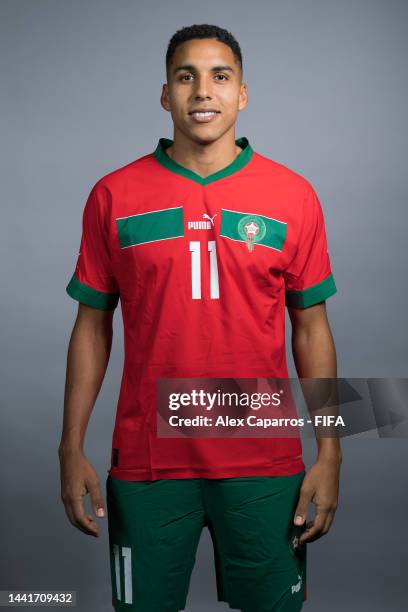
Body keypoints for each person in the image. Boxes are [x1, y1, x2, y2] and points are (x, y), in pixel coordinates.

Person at [58, 23, 342, 612]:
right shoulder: (114, 195)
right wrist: (70, 446)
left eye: (220, 76)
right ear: (165, 94)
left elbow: (311, 329)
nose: (202, 91)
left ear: (242, 94)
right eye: (185, 76)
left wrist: (332, 450)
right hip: (147, 465)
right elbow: (91, 326)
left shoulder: (293, 196)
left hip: (264, 462)